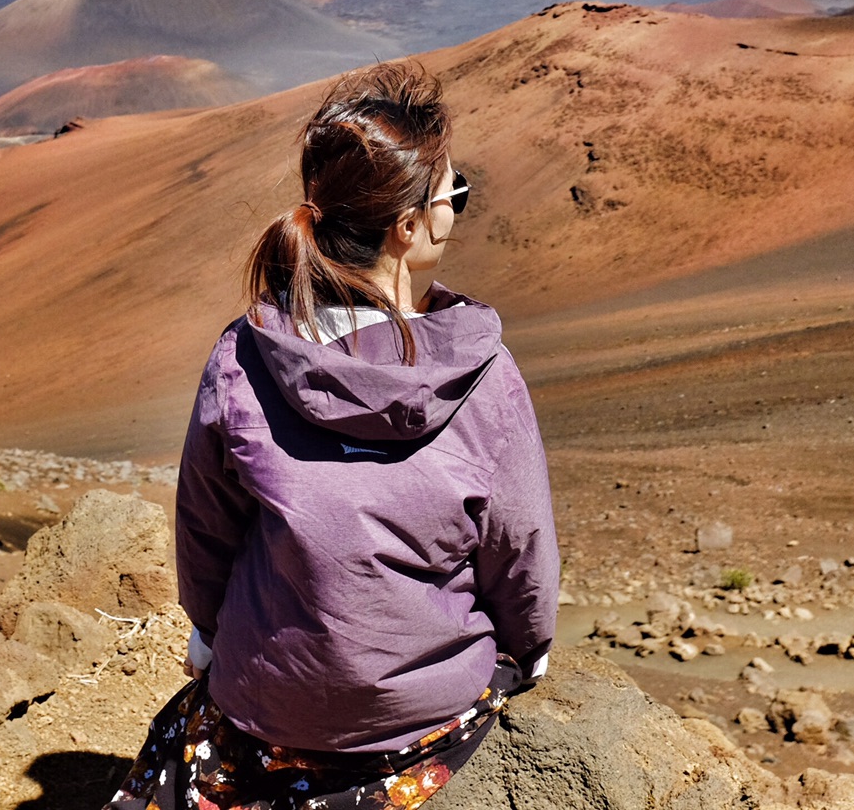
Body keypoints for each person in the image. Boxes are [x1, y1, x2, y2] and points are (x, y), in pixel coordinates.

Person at [107, 61, 560, 810]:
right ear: (410, 228)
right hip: (426, 719)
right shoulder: (485, 377)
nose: (456, 209)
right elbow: (518, 551)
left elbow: (206, 532)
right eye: (457, 193)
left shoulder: (245, 356)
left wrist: (213, 636)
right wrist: (530, 651)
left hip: (264, 706)